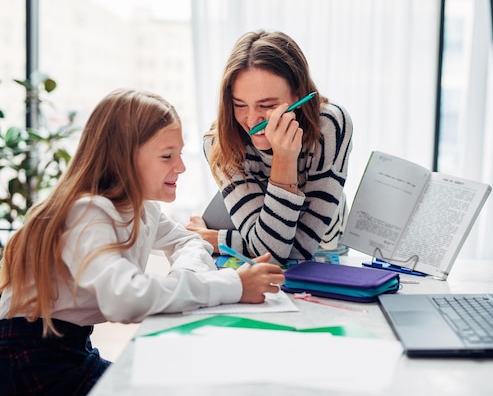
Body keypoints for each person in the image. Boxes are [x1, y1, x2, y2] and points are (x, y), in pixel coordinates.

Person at [0, 88, 284, 396]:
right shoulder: (88, 213)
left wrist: (185, 277)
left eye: (179, 153)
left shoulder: (142, 208)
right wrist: (233, 285)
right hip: (29, 358)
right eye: (167, 156)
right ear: (123, 158)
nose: (181, 167)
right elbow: (126, 299)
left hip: (71, 348)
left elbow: (191, 241)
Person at [186, 30, 353, 265]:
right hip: (259, 248)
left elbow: (298, 250)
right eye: (240, 104)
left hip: (327, 246)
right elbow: (272, 253)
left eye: (267, 105)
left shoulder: (329, 126)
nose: (252, 121)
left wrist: (216, 239)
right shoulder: (219, 143)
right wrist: (283, 161)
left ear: (298, 95)